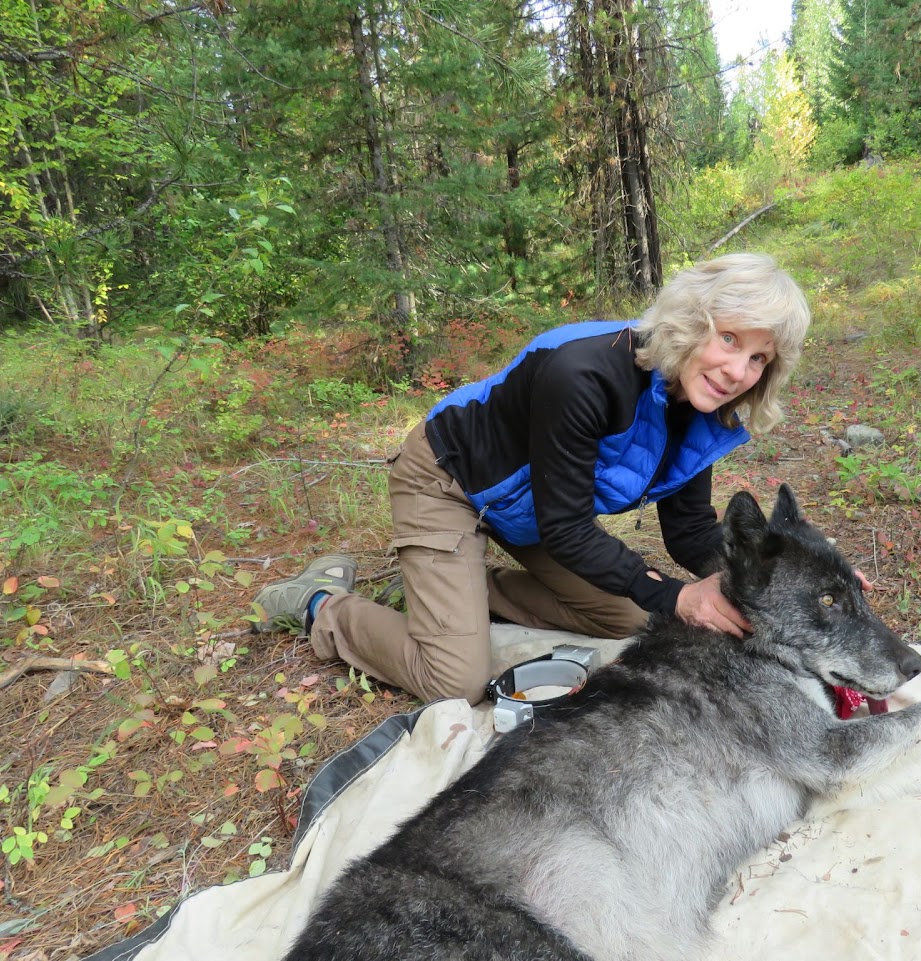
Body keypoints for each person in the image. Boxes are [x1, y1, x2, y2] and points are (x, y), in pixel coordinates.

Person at [251, 252, 812, 705]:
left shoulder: (704, 404)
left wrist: (788, 581)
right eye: (729, 338)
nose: (738, 371)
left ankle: (448, 592)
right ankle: (319, 602)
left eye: (759, 358)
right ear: (692, 322)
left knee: (637, 616)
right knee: (454, 682)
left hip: (533, 507)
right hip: (449, 481)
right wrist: (678, 594)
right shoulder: (584, 373)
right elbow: (567, 528)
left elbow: (688, 530)